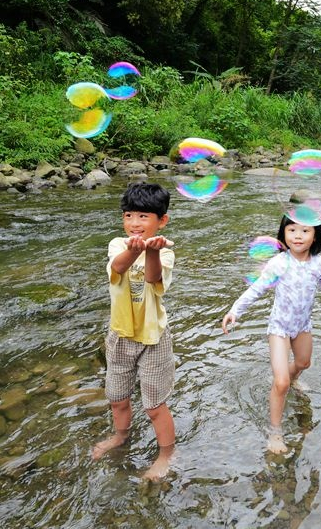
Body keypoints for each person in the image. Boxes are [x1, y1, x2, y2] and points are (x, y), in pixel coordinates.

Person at [221, 215, 321, 454]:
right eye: (292, 230)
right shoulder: (279, 263)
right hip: (279, 328)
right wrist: (235, 311)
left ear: (315, 235)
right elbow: (257, 289)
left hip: (302, 325)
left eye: (305, 231)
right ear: (283, 234)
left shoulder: (319, 264)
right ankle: (275, 432)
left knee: (303, 362)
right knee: (280, 382)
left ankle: (292, 379)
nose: (298, 236)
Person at [92, 182, 176, 480]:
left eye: (143, 217)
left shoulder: (165, 251)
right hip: (120, 335)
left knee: (154, 405)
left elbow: (154, 280)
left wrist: (152, 252)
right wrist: (133, 249)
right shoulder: (118, 244)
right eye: (129, 216)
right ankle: (120, 436)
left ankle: (166, 454)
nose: (135, 223)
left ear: (161, 220)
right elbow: (117, 267)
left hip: (153, 339)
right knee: (117, 397)